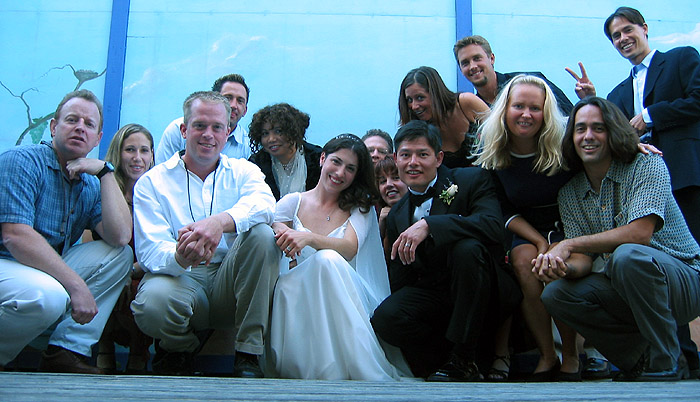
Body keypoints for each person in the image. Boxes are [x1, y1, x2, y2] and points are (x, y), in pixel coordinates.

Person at [566, 6, 700, 378]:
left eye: (628, 30)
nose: (623, 39)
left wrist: (650, 116)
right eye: (615, 36)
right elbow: (611, 134)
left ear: (645, 29)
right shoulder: (618, 93)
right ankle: (675, 357)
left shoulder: (681, 59)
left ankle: (680, 356)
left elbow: (698, 99)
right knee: (643, 262)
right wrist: (594, 99)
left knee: (678, 259)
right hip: (639, 187)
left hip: (682, 176)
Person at [537, 97, 700, 381]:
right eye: (580, 129)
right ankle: (639, 359)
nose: (588, 136)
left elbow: (640, 234)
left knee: (627, 256)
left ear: (613, 132)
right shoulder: (570, 193)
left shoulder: (647, 164)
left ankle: (667, 360)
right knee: (556, 294)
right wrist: (560, 266)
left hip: (685, 281)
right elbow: (584, 261)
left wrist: (568, 244)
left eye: (598, 128)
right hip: (626, 285)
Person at [131, 91, 280, 377]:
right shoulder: (152, 182)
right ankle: (179, 350)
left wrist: (219, 222)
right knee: (152, 302)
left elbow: (265, 205)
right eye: (199, 125)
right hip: (181, 278)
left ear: (227, 133)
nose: (208, 134)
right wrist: (180, 255)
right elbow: (150, 250)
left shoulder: (243, 171)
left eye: (217, 127)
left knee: (263, 235)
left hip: (231, 280)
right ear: (184, 130)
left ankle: (248, 353)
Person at [371, 120, 521, 381]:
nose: (413, 163)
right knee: (386, 317)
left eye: (422, 154)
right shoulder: (397, 214)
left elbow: (493, 227)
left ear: (439, 158)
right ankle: (449, 360)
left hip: (484, 288)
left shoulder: (470, 179)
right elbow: (401, 274)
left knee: (466, 249)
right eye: (405, 155)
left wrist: (431, 224)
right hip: (438, 296)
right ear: (396, 159)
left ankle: (464, 356)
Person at [0, 89, 133, 374]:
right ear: (53, 127)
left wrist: (106, 173)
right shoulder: (22, 161)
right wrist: (76, 286)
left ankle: (65, 351)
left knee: (119, 255)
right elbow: (15, 235)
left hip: (41, 271)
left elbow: (120, 236)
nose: (80, 128)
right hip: (6, 263)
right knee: (47, 295)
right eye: (72, 120)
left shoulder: (90, 183)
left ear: (97, 138)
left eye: (89, 124)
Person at [268, 134, 409, 380]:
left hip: (339, 293)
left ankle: (341, 368)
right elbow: (268, 224)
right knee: (310, 269)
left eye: (350, 168)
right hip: (295, 293)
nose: (340, 172)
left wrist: (308, 238)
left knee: (328, 260)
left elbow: (349, 247)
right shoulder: (293, 202)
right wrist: (280, 229)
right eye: (336, 162)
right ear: (322, 158)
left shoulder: (359, 207)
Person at [474, 74, 578, 381]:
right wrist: (538, 241)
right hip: (524, 226)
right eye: (519, 106)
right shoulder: (493, 148)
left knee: (555, 267)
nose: (526, 114)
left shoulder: (564, 142)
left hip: (568, 222)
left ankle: (572, 354)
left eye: (535, 108)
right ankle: (547, 355)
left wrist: (634, 146)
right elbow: (501, 207)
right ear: (505, 109)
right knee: (523, 262)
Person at [86, 123, 154, 374]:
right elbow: (88, 242)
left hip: (144, 271)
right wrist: (117, 273)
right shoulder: (101, 189)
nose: (138, 158)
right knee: (104, 284)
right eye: (130, 150)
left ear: (152, 156)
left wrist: (130, 271)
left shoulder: (158, 194)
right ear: (118, 153)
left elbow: (161, 249)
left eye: (144, 150)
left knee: (142, 289)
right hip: (108, 268)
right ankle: (104, 350)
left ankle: (138, 354)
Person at [454, 35, 574, 115]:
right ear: (460, 69)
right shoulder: (472, 109)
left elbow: (569, 117)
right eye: (465, 63)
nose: (472, 66)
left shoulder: (531, 83)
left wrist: (585, 97)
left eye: (477, 58)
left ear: (492, 58)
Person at [398, 66, 489, 169]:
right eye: (409, 100)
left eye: (420, 98)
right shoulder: (418, 130)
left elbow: (499, 133)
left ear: (435, 93)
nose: (414, 106)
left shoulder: (465, 103)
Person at [155, 73, 251, 164]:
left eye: (240, 101)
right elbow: (162, 172)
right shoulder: (177, 130)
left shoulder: (247, 144)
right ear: (213, 99)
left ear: (245, 111)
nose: (233, 105)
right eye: (228, 98)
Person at [247, 103, 322, 200]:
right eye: (265, 133)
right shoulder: (256, 163)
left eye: (278, 131)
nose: (271, 139)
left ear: (293, 131)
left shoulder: (317, 158)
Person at [374, 157, 408, 257]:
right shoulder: (375, 216)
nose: (388, 184)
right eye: (383, 181)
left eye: (396, 178)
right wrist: (381, 226)